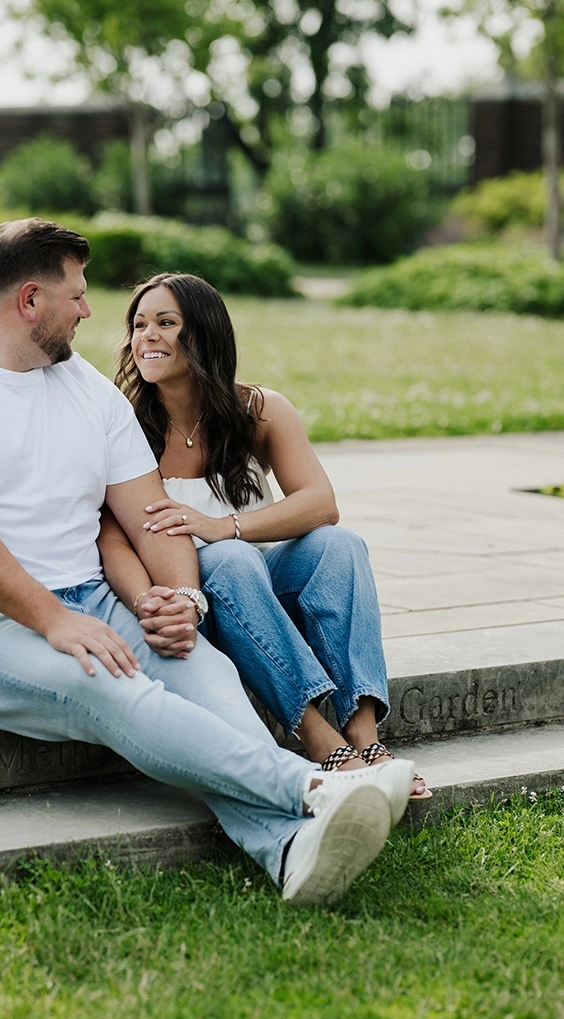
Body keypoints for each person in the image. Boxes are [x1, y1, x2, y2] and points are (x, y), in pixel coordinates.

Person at [0, 218, 413, 905]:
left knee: (208, 674)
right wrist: (53, 621)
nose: (91, 311)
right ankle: (313, 787)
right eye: (77, 295)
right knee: (106, 687)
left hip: (92, 605)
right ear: (30, 300)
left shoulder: (87, 391)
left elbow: (150, 515)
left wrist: (183, 600)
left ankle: (289, 853)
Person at [96, 271, 430, 802]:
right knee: (229, 560)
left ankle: (364, 735)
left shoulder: (257, 409)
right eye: (139, 324)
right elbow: (108, 537)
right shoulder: (123, 423)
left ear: (204, 334)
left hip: (264, 588)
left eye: (165, 322)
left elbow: (322, 505)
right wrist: (149, 603)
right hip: (199, 605)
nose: (147, 336)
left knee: (341, 546)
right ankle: (319, 740)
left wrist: (221, 526)